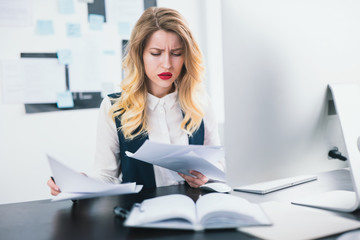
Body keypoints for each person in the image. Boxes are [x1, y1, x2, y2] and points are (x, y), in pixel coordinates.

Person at [47, 7, 224, 196]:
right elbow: (106, 175)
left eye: (176, 53)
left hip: (193, 210)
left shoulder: (200, 101)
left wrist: (205, 176)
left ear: (186, 56)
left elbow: (218, 165)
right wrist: (79, 182)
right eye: (156, 53)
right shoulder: (114, 107)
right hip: (140, 214)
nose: (167, 63)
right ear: (140, 55)